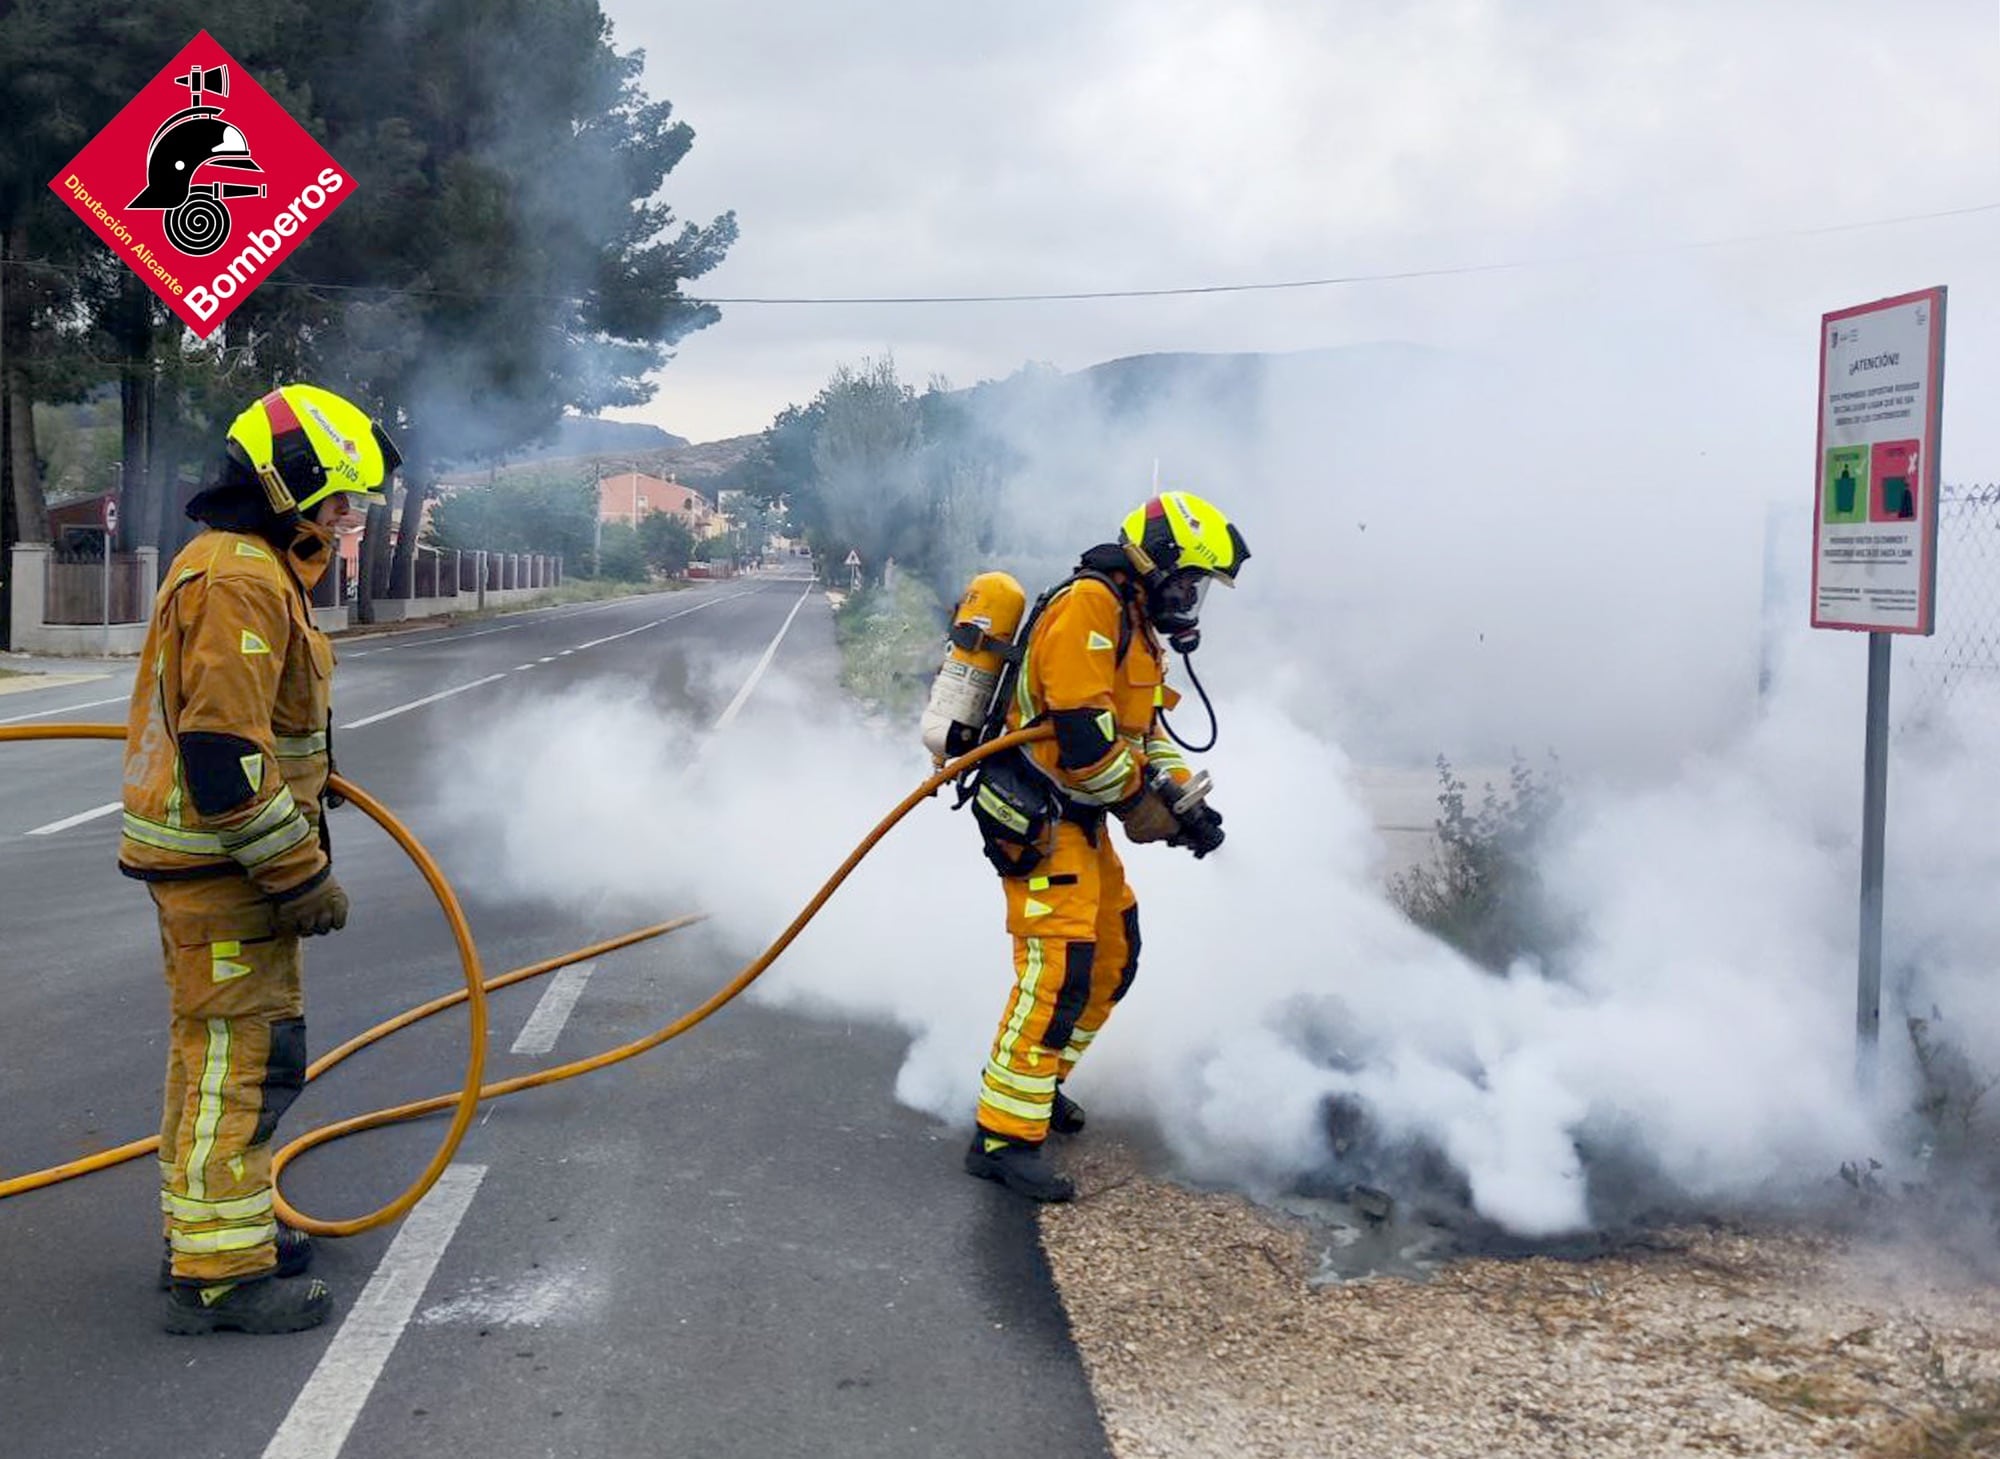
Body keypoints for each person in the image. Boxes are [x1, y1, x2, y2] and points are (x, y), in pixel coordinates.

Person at [121, 384, 400, 1334]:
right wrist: (300, 874)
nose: (346, 517)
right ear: (293, 484)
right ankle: (220, 1276)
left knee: (223, 1059)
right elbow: (224, 754)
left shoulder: (256, 569)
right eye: (338, 499)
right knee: (238, 1066)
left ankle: (212, 1232)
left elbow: (269, 728)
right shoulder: (238, 578)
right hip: (226, 873)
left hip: (224, 872)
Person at [964, 491, 1249, 1201]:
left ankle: (1035, 1085)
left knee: (1116, 952)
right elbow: (1087, 747)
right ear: (1158, 564)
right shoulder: (1090, 607)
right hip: (1039, 816)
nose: (1191, 598)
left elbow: (1145, 735)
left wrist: (1185, 801)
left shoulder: (1137, 628)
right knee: (1059, 970)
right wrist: (1154, 812)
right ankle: (1002, 1137)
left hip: (1079, 817)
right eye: (1190, 581)